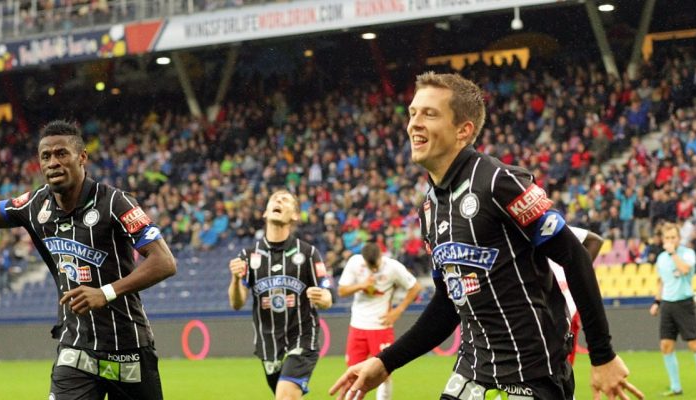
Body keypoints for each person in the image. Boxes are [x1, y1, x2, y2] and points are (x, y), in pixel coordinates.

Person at [329, 72, 643, 400]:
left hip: (532, 375)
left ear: (463, 130)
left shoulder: (498, 181)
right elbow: (448, 303)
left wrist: (602, 355)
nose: (414, 123)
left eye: (430, 114)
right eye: (413, 113)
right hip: (473, 371)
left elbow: (574, 255)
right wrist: (384, 362)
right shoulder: (429, 209)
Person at [0, 122, 177, 400]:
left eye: (61, 154)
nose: (53, 162)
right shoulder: (36, 204)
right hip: (76, 350)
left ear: (82, 157)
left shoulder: (115, 203)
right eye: (46, 156)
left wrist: (106, 292)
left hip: (128, 349)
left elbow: (164, 261)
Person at [228, 189, 333, 400]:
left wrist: (324, 298)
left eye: (285, 200)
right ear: (265, 213)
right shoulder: (248, 256)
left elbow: (328, 292)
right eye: (274, 198)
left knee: (285, 397)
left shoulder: (308, 253)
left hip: (302, 339)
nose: (278, 200)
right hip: (269, 344)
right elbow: (236, 303)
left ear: (294, 215)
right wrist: (236, 278)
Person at [337, 242, 422, 400]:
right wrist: (361, 285)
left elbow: (415, 287)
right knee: (353, 373)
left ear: (381, 256)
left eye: (376, 265)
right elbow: (341, 291)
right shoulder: (355, 263)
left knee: (383, 373)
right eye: (371, 266)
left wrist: (398, 310)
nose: (374, 270)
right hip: (357, 325)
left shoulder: (393, 267)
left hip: (381, 326)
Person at [650, 222, 696, 397]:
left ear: (678, 238)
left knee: (695, 344)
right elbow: (662, 281)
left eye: (673, 237)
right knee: (666, 345)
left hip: (684, 303)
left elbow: (685, 270)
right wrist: (657, 302)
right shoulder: (661, 258)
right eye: (667, 238)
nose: (670, 240)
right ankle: (676, 387)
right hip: (667, 305)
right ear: (663, 239)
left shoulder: (688, 254)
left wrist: (673, 254)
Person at [547, 227, 604, 365]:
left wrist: (577, 275)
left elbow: (595, 240)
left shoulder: (548, 225)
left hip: (561, 309)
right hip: (552, 308)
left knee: (561, 368)